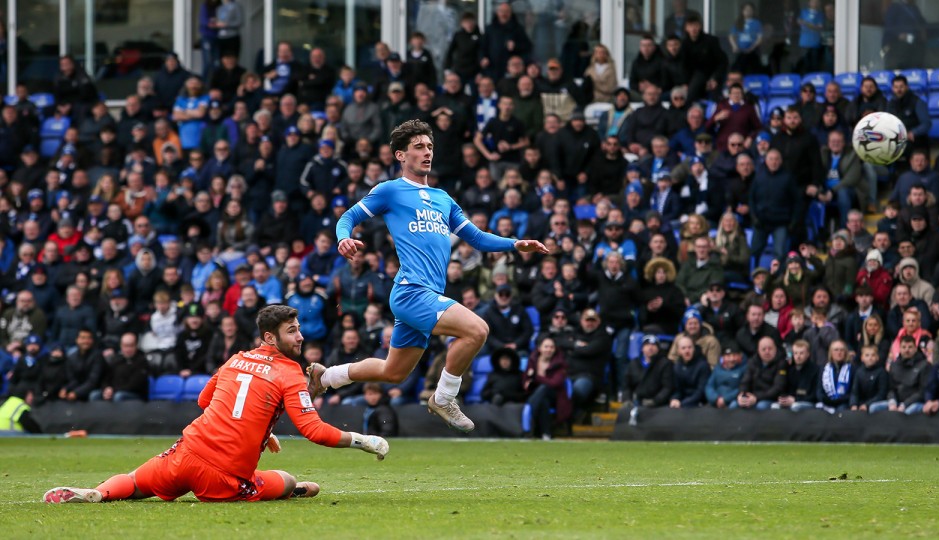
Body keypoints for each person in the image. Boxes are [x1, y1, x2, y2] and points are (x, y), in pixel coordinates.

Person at [317, 120, 547, 433]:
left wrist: (515, 244)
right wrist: (343, 237)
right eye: (419, 147)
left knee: (393, 372)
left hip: (424, 295)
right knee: (477, 329)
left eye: (429, 147)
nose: (427, 152)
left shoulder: (442, 199)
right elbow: (349, 216)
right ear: (400, 155)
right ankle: (444, 397)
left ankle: (326, 377)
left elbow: (476, 238)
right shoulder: (390, 191)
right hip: (413, 291)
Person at [43, 305, 389, 504]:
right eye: (292, 331)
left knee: (134, 483)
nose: (300, 337)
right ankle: (282, 489)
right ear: (270, 337)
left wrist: (260, 428)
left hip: (186, 453)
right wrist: (364, 440)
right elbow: (314, 431)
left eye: (299, 329)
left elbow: (204, 400)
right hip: (223, 477)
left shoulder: (236, 359)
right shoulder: (290, 372)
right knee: (295, 482)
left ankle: (99, 494)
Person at [523, 336, 571, 440]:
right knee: (543, 401)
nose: (549, 349)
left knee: (544, 388)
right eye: (546, 346)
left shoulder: (560, 364)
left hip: (556, 396)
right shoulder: (532, 360)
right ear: (539, 348)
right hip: (537, 395)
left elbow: (554, 383)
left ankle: (529, 420)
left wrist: (536, 377)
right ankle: (546, 434)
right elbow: (525, 380)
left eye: (551, 347)